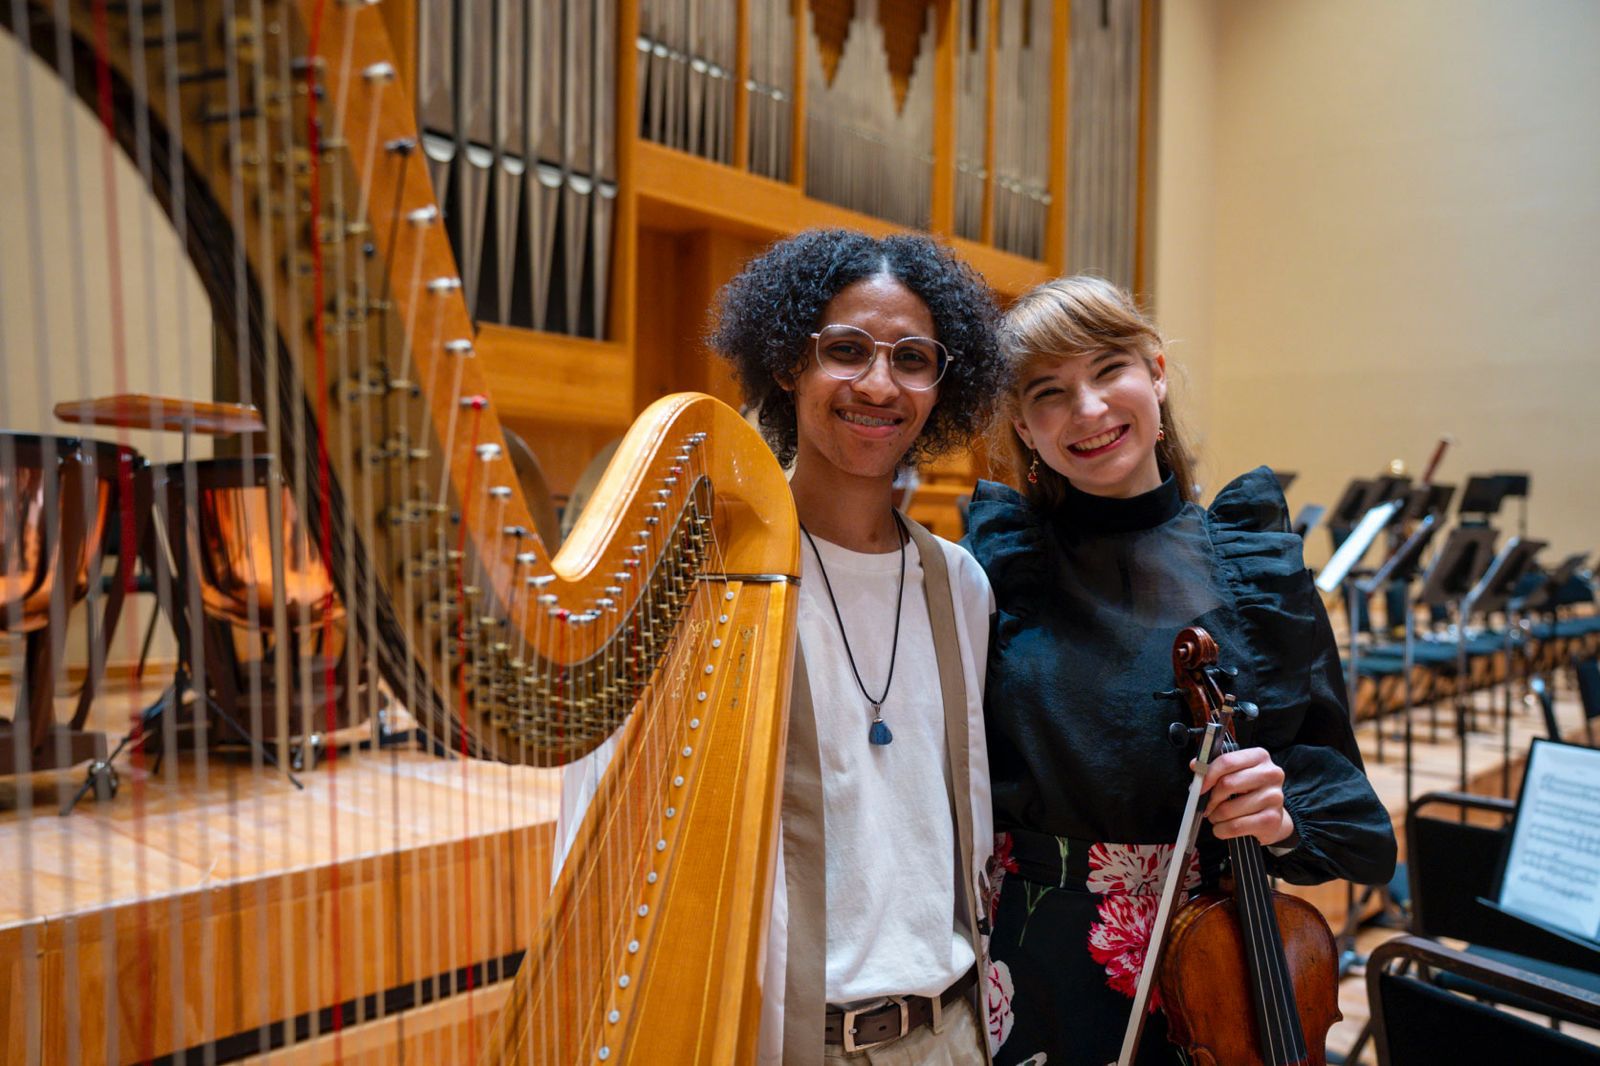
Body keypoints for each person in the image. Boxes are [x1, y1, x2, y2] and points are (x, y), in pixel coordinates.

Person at [960, 276, 1396, 1066]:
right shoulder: (995, 568)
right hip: (1036, 964)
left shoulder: (1253, 571)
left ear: (1156, 373)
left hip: (1217, 964)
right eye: (1050, 393)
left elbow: (1344, 809)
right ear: (1023, 425)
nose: (1089, 409)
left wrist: (1278, 813)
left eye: (1109, 370)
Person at [712, 228, 1006, 1063]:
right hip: (793, 1041)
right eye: (846, 350)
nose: (879, 385)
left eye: (912, 360)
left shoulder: (961, 585)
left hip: (954, 1036)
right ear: (787, 363)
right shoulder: (721, 579)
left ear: (941, 387)